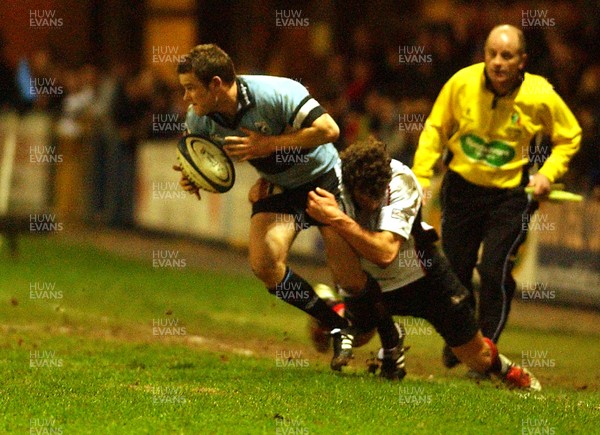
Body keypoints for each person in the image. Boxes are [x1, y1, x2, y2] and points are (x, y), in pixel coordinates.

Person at [174, 44, 398, 370]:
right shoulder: (200, 118)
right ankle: (334, 321)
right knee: (264, 263)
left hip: (323, 179)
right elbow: (201, 159)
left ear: (216, 84)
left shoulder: (277, 93)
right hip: (279, 185)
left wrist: (269, 144)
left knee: (348, 277)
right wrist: (193, 177)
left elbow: (330, 130)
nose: (186, 98)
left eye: (191, 88)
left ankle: (390, 336)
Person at [306, 137, 541, 391]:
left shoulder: (402, 181)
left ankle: (508, 370)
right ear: (351, 185)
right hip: (368, 283)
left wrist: (337, 218)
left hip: (421, 278)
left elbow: (385, 254)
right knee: (358, 338)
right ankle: (332, 308)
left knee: (477, 358)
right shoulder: (332, 183)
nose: (373, 204)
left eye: (378, 196)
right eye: (366, 198)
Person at [411, 25, 581, 367]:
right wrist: (421, 175)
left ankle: (484, 350)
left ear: (522, 61)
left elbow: (570, 136)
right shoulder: (461, 83)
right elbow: (435, 128)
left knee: (493, 271)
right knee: (454, 271)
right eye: (492, 54)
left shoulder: (540, 94)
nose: (498, 62)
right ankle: (462, 340)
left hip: (511, 196)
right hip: (461, 190)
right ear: (484, 55)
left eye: (507, 56)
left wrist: (548, 174)